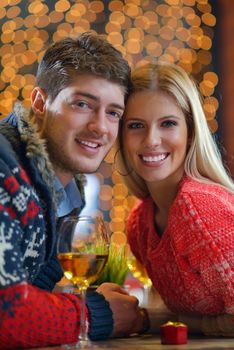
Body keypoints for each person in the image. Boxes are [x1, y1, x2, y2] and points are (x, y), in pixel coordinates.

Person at [0, 32, 147, 349]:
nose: (100, 127)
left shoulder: (66, 192)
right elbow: (5, 313)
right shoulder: (4, 169)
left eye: (113, 113)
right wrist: (97, 315)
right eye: (82, 104)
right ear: (40, 102)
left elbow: (32, 291)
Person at [117, 62, 234, 336]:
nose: (152, 140)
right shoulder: (139, 224)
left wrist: (182, 322)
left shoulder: (199, 208)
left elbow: (179, 319)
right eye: (136, 126)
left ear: (191, 133)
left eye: (168, 123)